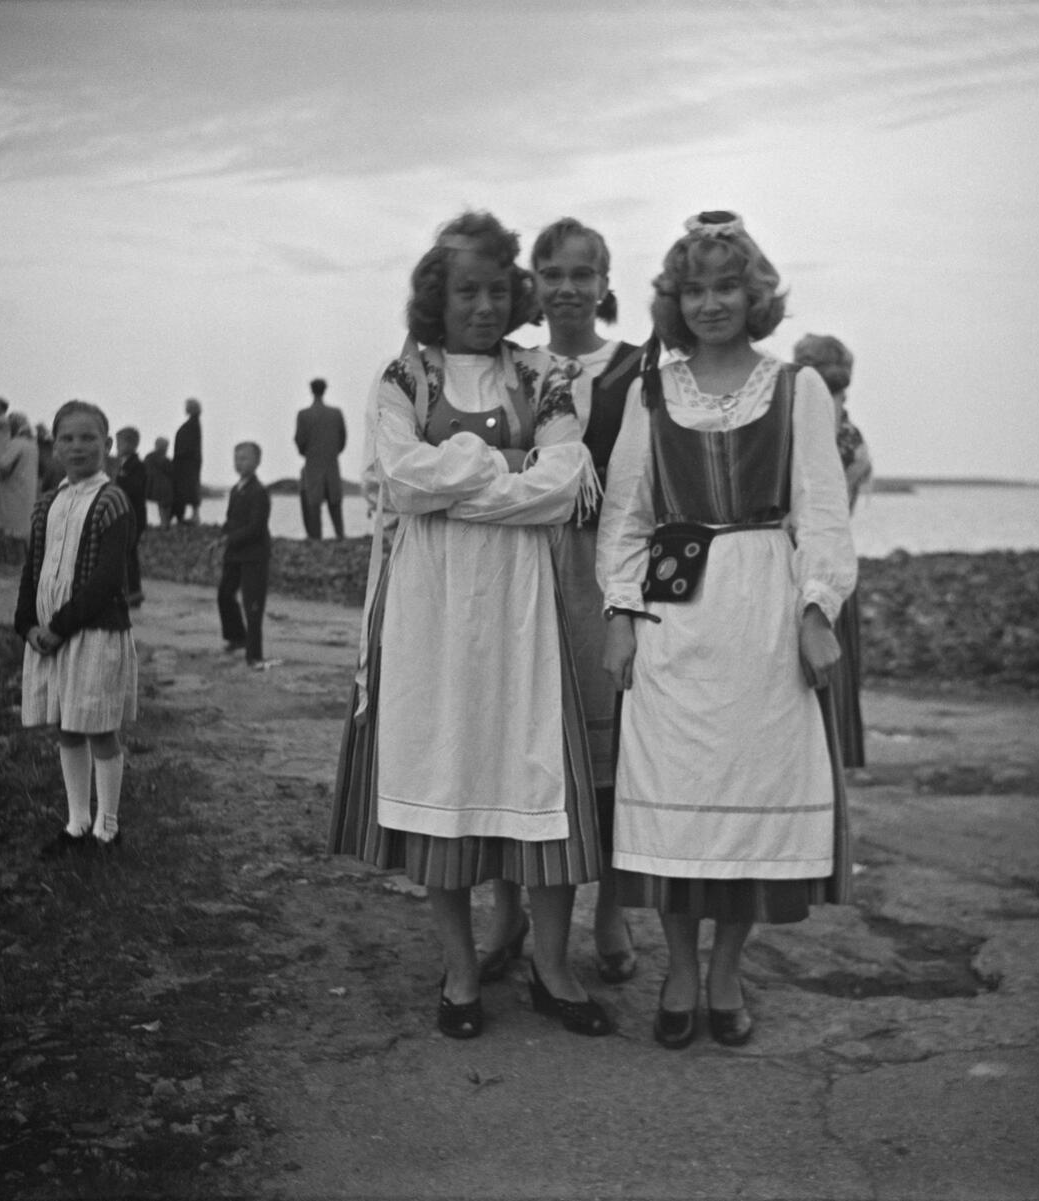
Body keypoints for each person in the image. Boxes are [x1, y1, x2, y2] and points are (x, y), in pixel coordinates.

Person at [330, 210, 611, 1042]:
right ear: (436, 295)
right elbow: (395, 478)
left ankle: (553, 969)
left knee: (541, 785)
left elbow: (566, 485)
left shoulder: (546, 374)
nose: (485, 305)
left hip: (524, 609)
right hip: (429, 609)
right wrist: (497, 465)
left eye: (497, 288)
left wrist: (456, 476)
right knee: (443, 774)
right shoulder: (402, 375)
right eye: (467, 290)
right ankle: (459, 974)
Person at [598, 210, 857, 1050]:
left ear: (756, 295)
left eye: (728, 286)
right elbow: (628, 519)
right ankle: (679, 965)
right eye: (695, 288)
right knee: (675, 806)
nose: (711, 303)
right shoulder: (651, 393)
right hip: (677, 617)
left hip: (762, 619)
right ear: (676, 300)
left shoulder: (796, 389)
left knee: (751, 797)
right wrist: (622, 613)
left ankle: (725, 970)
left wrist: (817, 609)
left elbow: (823, 511)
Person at [479, 217, 643, 988]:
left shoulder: (637, 370)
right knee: (519, 738)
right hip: (520, 564)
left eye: (584, 273)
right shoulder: (511, 366)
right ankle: (508, 908)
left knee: (609, 751)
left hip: (600, 568)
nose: (569, 287)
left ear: (606, 283)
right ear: (534, 284)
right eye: (553, 273)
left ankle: (609, 908)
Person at [14, 400, 138, 856]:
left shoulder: (113, 501)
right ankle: (77, 822)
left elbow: (107, 579)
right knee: (66, 725)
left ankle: (108, 825)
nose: (77, 446)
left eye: (88, 438)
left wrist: (61, 625)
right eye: (67, 438)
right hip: (48, 634)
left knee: (98, 726)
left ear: (107, 446)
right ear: (54, 445)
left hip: (94, 631)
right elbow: (33, 567)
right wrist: (27, 622)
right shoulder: (49, 502)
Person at [793, 333, 872, 767]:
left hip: (808, 562)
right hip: (835, 560)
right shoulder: (851, 438)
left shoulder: (819, 426)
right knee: (832, 670)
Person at [217, 441, 272, 669]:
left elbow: (256, 527)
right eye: (237, 458)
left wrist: (229, 538)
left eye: (245, 458)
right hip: (234, 554)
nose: (240, 463)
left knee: (253, 605)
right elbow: (230, 520)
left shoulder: (260, 492)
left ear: (257, 462)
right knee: (224, 595)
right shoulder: (235, 490)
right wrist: (220, 537)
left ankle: (254, 655)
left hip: (254, 556)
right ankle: (236, 637)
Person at [294, 377, 348, 539]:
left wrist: (310, 454)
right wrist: (331, 453)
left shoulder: (303, 415)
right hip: (331, 463)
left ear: (311, 390)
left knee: (313, 504)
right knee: (335, 503)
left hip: (313, 464)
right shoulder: (335, 414)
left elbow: (300, 441)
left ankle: (315, 538)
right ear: (325, 390)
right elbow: (342, 439)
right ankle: (340, 535)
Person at [0, 412, 39, 546]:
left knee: (9, 526)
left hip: (13, 490)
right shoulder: (33, 446)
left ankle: (10, 556)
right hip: (27, 490)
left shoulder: (16, 443)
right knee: (24, 526)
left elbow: (4, 466)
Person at [114, 426, 147, 607]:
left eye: (119, 443)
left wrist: (119, 484)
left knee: (129, 555)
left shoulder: (137, 466)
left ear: (130, 444)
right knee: (126, 554)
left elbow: (135, 488)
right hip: (126, 515)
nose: (117, 447)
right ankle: (129, 591)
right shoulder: (123, 465)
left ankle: (133, 592)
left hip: (134, 517)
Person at [171, 398, 203, 524]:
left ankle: (194, 516)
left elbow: (190, 445)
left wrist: (180, 455)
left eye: (187, 406)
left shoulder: (193, 424)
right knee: (188, 488)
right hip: (187, 462)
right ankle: (189, 515)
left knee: (190, 488)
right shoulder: (193, 424)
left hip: (188, 463)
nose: (185, 408)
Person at [143, 436, 174, 529]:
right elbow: (171, 471)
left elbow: (145, 470)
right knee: (165, 506)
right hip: (165, 485)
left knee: (162, 506)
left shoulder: (149, 457)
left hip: (151, 485)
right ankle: (165, 523)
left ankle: (163, 523)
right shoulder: (166, 460)